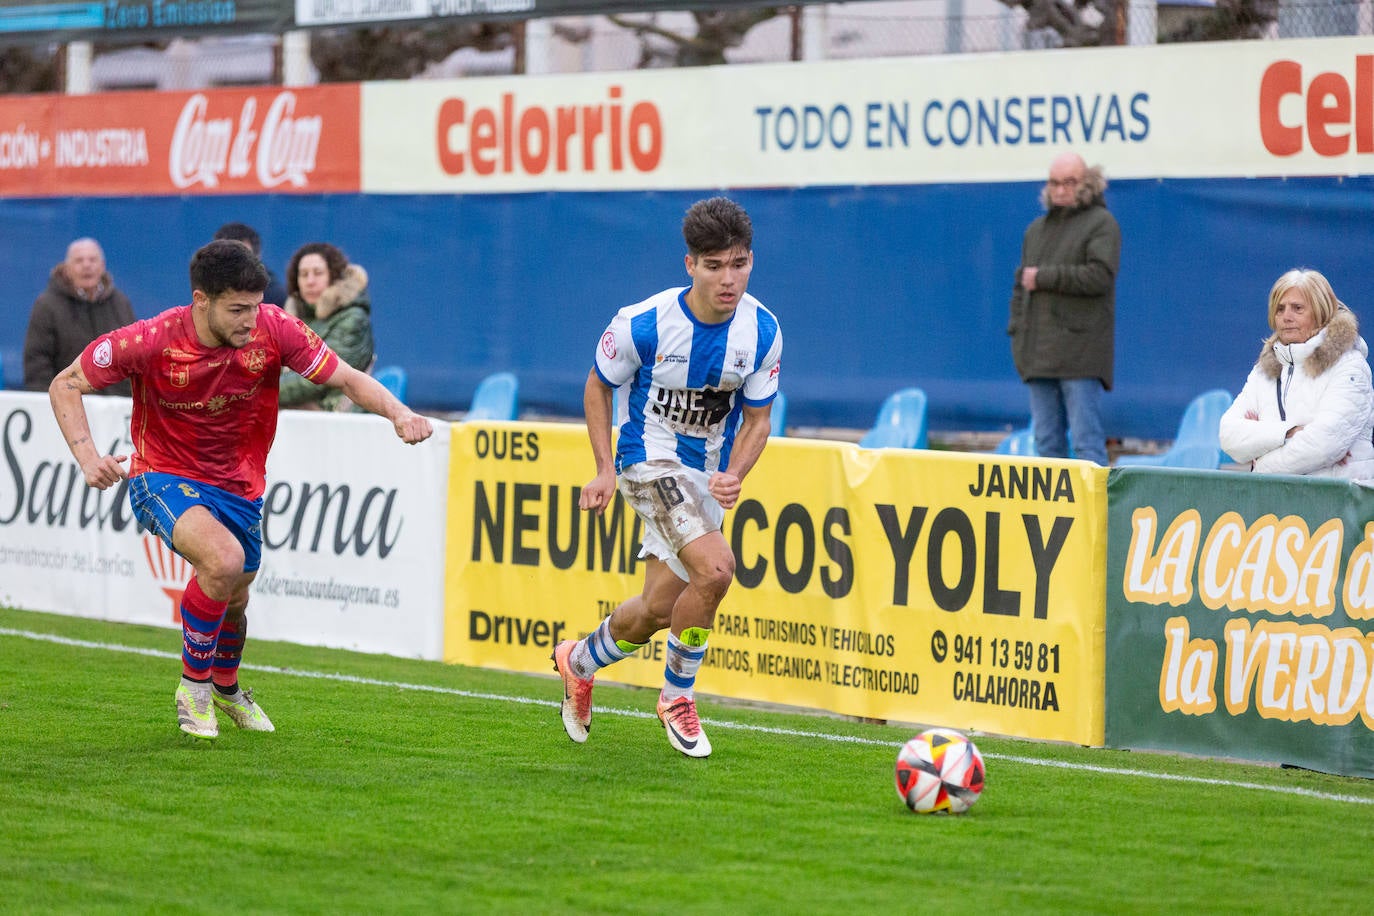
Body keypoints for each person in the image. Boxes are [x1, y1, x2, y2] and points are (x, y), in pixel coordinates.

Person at [48, 240, 433, 740]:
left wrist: (399, 414)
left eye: (254, 306)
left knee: (236, 593)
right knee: (223, 561)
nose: (250, 320)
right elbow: (66, 383)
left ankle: (227, 687)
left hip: (239, 485)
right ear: (201, 300)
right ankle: (194, 690)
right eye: (237, 309)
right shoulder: (151, 338)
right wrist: (88, 457)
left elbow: (346, 378)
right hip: (161, 474)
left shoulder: (274, 326)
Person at [552, 197, 783, 759]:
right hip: (646, 459)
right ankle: (677, 696)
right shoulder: (644, 323)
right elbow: (597, 385)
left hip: (704, 473)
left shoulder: (764, 330)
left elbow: (758, 420)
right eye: (714, 266)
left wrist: (734, 473)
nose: (729, 279)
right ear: (690, 265)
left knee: (659, 608)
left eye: (740, 264)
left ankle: (578, 661)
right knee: (719, 568)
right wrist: (605, 468)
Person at [1008, 151, 1120, 466]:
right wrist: (1018, 336)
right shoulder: (1036, 230)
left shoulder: (1102, 224)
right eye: (1054, 183)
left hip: (1081, 356)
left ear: (1086, 182)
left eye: (1069, 183)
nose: (1060, 190)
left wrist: (1044, 277)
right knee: (1046, 447)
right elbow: (1021, 288)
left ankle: (1093, 516)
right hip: (1039, 356)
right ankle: (1054, 516)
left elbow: (1099, 276)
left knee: (1087, 447)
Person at [1218, 268, 1374, 478]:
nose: (1286, 317)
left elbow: (1322, 445)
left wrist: (1261, 464)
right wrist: (1287, 432)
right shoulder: (1264, 369)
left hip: (1338, 505)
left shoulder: (1350, 367)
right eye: (1280, 309)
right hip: (1277, 504)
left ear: (1321, 312)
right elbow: (1229, 435)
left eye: (1297, 308)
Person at [24, 238, 136, 396]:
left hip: (116, 408)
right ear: (67, 268)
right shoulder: (47, 305)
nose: (86, 265)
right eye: (79, 260)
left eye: (92, 259)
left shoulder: (121, 303)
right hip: (67, 406)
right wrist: (49, 402)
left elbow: (134, 356)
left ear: (102, 265)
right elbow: (37, 362)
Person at [278, 242, 375, 411]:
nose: (310, 281)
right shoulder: (296, 316)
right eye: (303, 274)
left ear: (334, 276)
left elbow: (319, 377)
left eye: (318, 273)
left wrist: (257, 389)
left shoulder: (353, 318)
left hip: (337, 418)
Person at [213, 221, 288, 308]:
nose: (233, 264)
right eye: (226, 257)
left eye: (241, 257)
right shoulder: (206, 292)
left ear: (258, 257)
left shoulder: (278, 299)